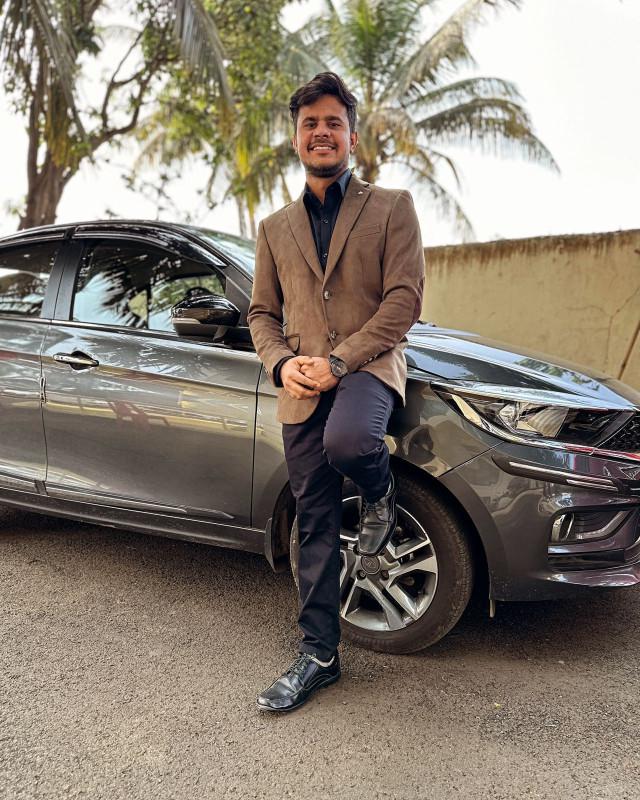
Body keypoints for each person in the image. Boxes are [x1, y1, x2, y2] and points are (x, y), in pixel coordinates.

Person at [247, 72, 425, 712]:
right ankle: (319, 655)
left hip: (368, 368)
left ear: (351, 135)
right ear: (296, 139)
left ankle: (379, 492)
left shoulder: (392, 207)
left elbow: (404, 300)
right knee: (314, 519)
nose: (321, 132)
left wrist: (340, 361)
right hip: (300, 384)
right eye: (309, 124)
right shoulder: (274, 227)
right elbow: (261, 313)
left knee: (349, 442)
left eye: (332, 122)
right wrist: (279, 365)